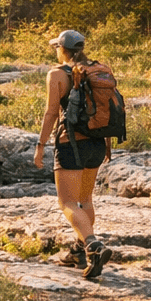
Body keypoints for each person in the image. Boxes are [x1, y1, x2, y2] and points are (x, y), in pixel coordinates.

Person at [34, 30, 113, 279]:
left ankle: (93, 245)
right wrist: (107, 143)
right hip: (97, 142)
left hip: (71, 144)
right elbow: (105, 108)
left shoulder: (57, 74)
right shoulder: (99, 70)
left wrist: (40, 145)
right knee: (85, 199)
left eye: (56, 48)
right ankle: (78, 252)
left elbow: (51, 113)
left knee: (67, 203)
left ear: (62, 49)